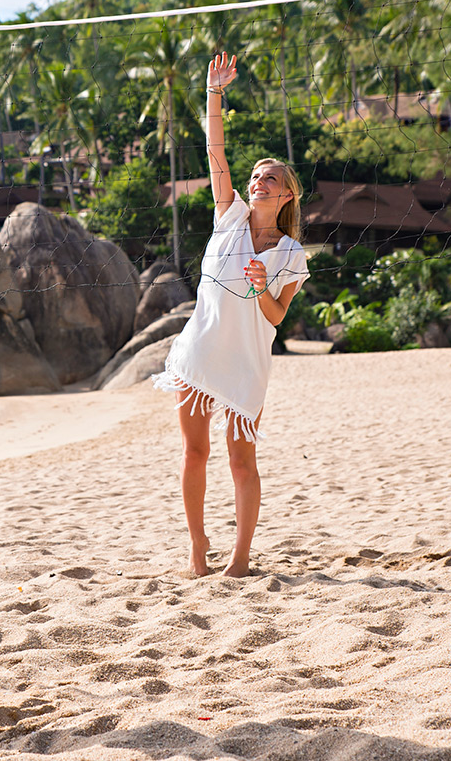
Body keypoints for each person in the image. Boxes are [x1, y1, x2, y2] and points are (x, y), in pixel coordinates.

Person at [152, 51, 308, 579]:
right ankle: (197, 548)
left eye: (270, 179)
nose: (258, 181)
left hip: (245, 362)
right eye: (256, 176)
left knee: (242, 461)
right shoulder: (230, 214)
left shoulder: (291, 253)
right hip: (199, 353)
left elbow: (276, 317)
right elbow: (214, 148)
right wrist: (215, 92)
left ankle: (239, 560)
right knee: (193, 455)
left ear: (286, 195)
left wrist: (264, 287)